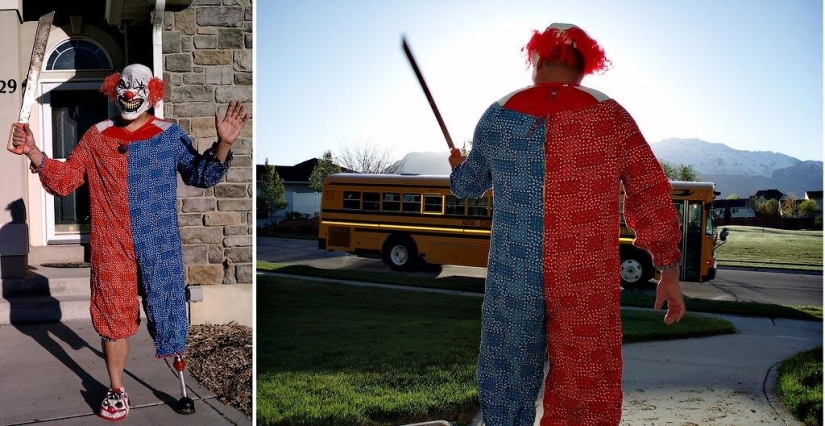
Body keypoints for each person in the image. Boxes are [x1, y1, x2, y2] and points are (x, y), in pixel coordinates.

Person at [449, 24, 685, 426]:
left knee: (506, 380)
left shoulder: (497, 117)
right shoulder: (612, 117)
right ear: (583, 67)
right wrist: (668, 271)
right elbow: (651, 192)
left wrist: (458, 167)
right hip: (585, 277)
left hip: (513, 275)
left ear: (536, 60)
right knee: (586, 388)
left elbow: (467, 186)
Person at [11, 63, 249, 421]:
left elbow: (202, 174)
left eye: (137, 86)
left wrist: (223, 144)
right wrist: (34, 151)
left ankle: (180, 381)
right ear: (113, 88)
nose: (129, 92)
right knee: (112, 317)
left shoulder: (170, 135)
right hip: (112, 245)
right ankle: (117, 388)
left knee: (169, 312)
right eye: (123, 85)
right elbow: (65, 180)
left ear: (152, 92)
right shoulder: (97, 136)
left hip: (160, 243)